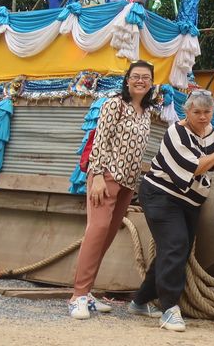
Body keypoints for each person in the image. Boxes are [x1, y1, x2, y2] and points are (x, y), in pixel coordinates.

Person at [127, 90, 214, 332]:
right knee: (175, 245)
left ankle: (140, 301)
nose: (202, 117)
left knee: (176, 249)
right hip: (162, 195)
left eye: (207, 112)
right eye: (197, 112)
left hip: (189, 201)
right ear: (186, 112)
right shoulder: (175, 133)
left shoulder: (211, 132)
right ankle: (170, 308)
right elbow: (196, 167)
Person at [69, 60, 156, 320]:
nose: (140, 81)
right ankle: (77, 296)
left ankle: (87, 293)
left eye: (146, 77)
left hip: (128, 182)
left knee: (105, 238)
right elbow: (100, 140)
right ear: (127, 80)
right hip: (106, 176)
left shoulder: (147, 112)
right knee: (96, 232)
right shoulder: (114, 104)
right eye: (136, 76)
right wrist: (96, 175)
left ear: (152, 83)